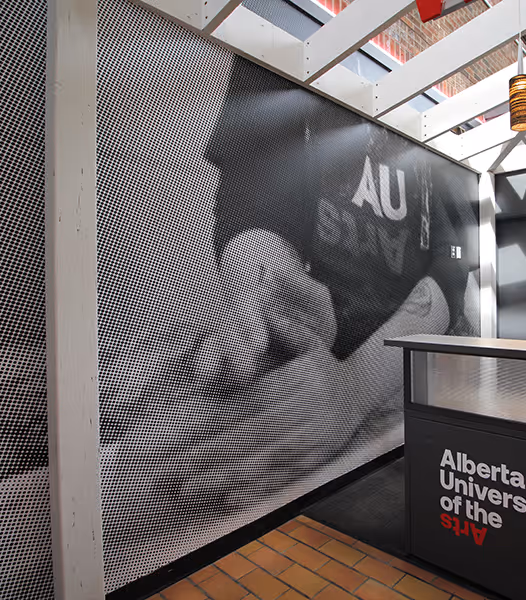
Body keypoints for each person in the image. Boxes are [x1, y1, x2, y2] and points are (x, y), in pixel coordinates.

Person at [100, 55, 479, 554]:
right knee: (132, 408)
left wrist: (352, 387)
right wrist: (252, 249)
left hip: (371, 373)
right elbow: (248, 178)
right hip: (277, 348)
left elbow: (446, 286)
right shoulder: (273, 63)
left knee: (152, 493)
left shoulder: (435, 134)